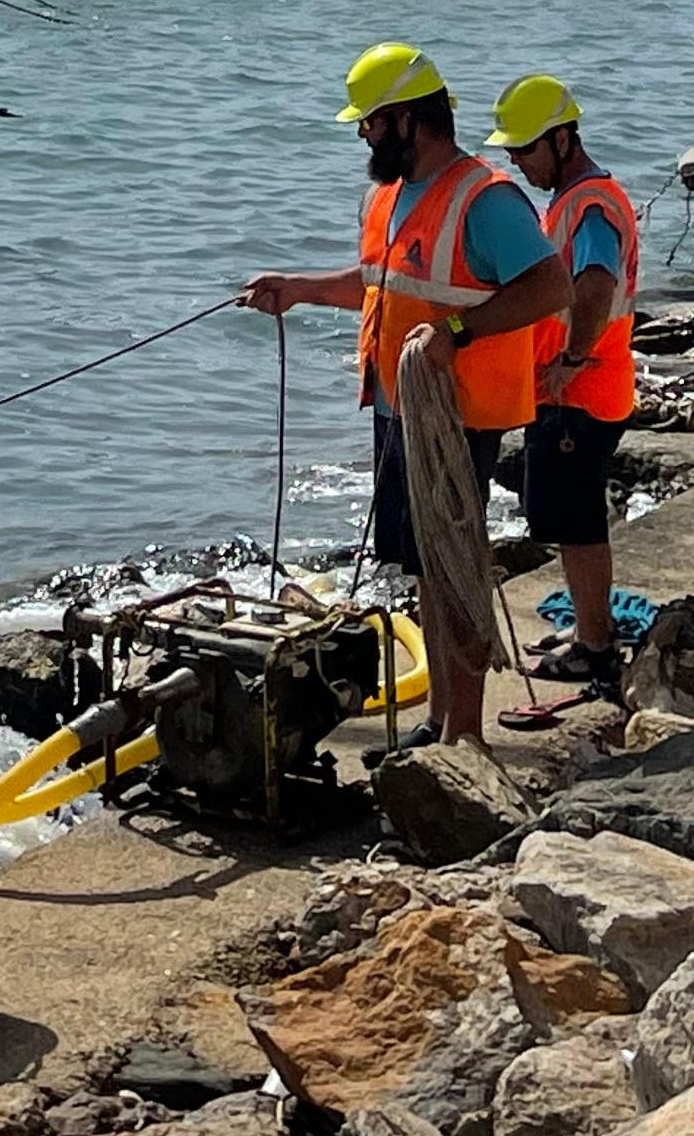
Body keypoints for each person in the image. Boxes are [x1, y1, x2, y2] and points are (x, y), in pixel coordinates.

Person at [242, 43, 567, 744]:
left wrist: (458, 330)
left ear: (411, 120)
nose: (363, 133)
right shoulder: (389, 196)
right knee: (424, 569)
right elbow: (379, 286)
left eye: (371, 121)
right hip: (397, 413)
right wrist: (299, 290)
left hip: (457, 419)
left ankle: (466, 738)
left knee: (454, 575)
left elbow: (550, 286)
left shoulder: (486, 199)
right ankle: (442, 720)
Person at [486, 71, 639, 702]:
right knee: (572, 520)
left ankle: (595, 649)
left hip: (582, 394)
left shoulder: (590, 205)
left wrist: (572, 359)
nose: (518, 163)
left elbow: (597, 282)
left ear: (563, 138)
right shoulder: (579, 199)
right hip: (582, 390)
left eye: (524, 150)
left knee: (577, 527)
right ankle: (590, 629)